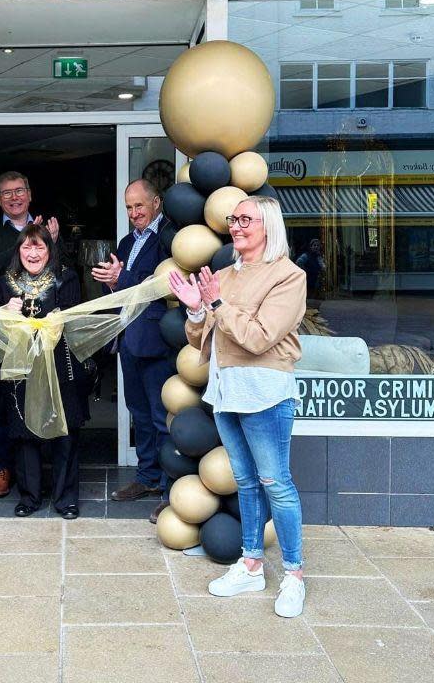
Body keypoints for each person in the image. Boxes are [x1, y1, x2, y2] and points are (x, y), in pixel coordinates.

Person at [168, 195, 309, 618]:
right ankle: (250, 564)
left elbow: (259, 337)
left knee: (275, 483)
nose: (236, 225)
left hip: (265, 392)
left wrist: (214, 305)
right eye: (233, 218)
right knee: (246, 482)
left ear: (269, 225)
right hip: (226, 391)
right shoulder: (224, 276)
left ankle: (294, 576)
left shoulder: (288, 276)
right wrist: (195, 311)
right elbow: (204, 340)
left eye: (246, 218)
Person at [0, 224, 88, 518]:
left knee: (65, 428)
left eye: (39, 247)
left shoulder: (65, 278)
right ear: (19, 251)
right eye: (26, 247)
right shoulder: (5, 283)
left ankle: (65, 498)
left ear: (49, 249)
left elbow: (75, 319)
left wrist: (59, 319)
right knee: (23, 430)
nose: (32, 253)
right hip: (21, 368)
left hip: (60, 365)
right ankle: (29, 497)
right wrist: (4, 311)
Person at [0, 171, 60, 498]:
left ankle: (39, 471)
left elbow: (59, 273)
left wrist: (52, 241)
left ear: (29, 192)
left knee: (40, 398)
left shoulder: (47, 229)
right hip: (1, 335)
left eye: (19, 190)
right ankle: (2, 469)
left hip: (41, 335)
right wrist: (25, 238)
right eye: (6, 193)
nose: (14, 197)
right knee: (0, 403)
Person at [91, 178, 173, 522]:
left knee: (161, 417)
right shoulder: (126, 242)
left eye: (139, 205)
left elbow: (161, 286)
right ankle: (148, 478)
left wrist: (120, 279)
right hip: (129, 339)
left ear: (155, 203)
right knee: (139, 414)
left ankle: (172, 490)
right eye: (128, 207)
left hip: (157, 340)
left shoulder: (170, 237)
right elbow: (123, 289)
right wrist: (112, 281)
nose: (134, 213)